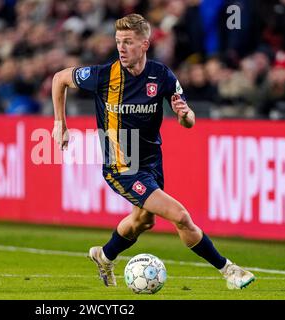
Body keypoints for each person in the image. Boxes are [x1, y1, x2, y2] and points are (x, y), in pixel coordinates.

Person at [51, 14, 255, 290]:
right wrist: (60, 123)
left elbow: (188, 120)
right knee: (180, 215)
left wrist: (184, 115)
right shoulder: (102, 75)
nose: (121, 48)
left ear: (145, 44)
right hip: (121, 166)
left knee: (143, 220)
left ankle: (104, 254)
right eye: (118, 42)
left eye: (129, 42)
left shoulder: (161, 75)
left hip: (151, 162)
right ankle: (228, 270)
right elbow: (59, 79)